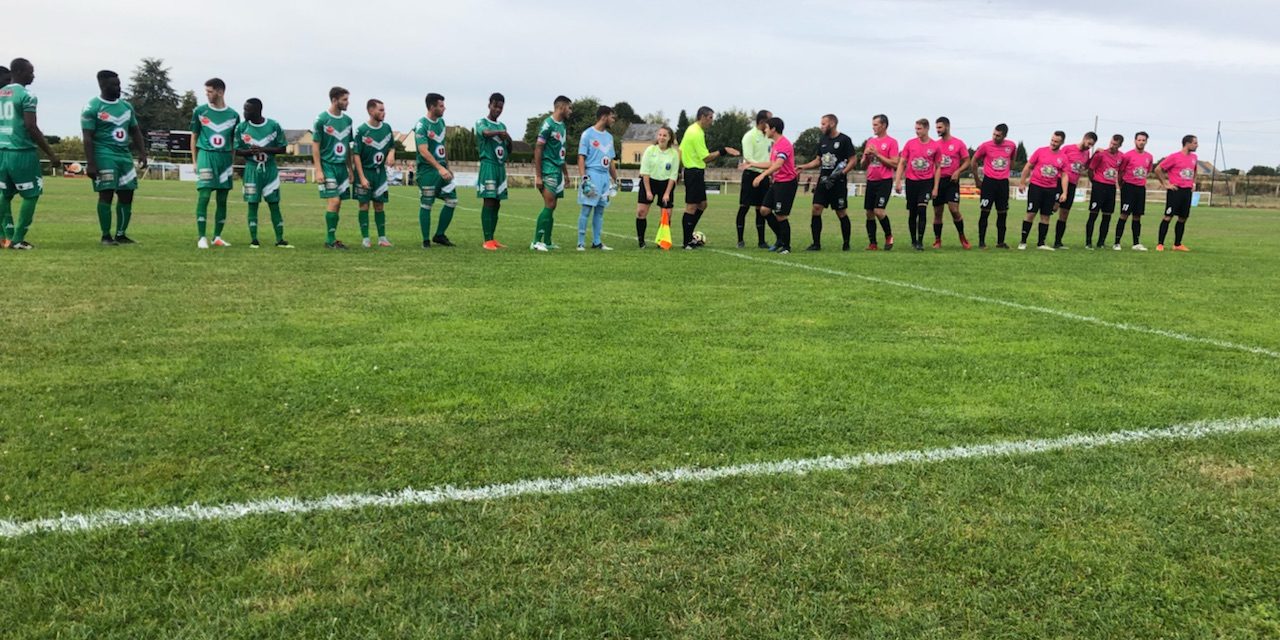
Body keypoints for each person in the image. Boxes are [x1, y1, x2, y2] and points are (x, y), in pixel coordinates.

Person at [81, 69, 147, 246]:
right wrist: (91, 163)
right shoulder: (92, 107)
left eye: (119, 84)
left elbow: (135, 131)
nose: (119, 87)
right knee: (107, 194)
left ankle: (121, 234)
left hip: (124, 156)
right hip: (104, 155)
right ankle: (105, 236)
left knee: (127, 194)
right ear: (103, 85)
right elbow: (87, 137)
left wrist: (142, 153)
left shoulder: (126, 107)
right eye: (114, 84)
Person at [0, 58, 59, 249]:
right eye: (30, 72)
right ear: (19, 71)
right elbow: (31, 126)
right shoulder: (27, 95)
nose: (33, 76)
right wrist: (51, 153)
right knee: (31, 195)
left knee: (4, 194)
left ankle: (4, 236)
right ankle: (17, 240)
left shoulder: (1, 93)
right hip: (22, 152)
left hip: (2, 151)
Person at [678, 106, 740, 249]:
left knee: (702, 204)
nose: (712, 121)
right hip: (693, 171)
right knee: (691, 206)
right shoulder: (696, 132)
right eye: (711, 118)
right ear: (703, 117)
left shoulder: (692, 129)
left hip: (695, 171)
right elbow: (706, 158)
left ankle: (689, 237)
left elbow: (680, 150)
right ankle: (687, 242)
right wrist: (724, 151)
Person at [233, 98, 291, 248]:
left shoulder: (273, 125)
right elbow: (236, 150)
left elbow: (282, 148)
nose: (244, 112)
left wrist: (264, 149)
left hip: (269, 169)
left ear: (257, 110)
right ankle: (254, 239)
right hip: (252, 169)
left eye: (247, 110)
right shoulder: (241, 128)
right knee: (252, 204)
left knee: (274, 204)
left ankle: (280, 239)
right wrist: (248, 151)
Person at [190, 77, 240, 249]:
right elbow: (194, 135)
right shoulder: (200, 111)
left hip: (224, 159)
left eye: (210, 91)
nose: (207, 95)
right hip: (206, 155)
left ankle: (217, 236)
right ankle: (201, 237)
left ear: (220, 92)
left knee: (222, 198)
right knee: (204, 195)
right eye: (206, 91)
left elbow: (234, 141)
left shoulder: (233, 115)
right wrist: (195, 161)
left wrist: (231, 161)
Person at [796, 114, 855, 251]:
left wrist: (842, 173)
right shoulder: (822, 140)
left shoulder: (844, 140)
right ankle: (816, 244)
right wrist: (803, 166)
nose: (821, 126)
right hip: (823, 181)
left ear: (832, 123)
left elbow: (853, 160)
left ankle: (846, 243)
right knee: (816, 209)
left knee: (841, 212)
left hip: (838, 183)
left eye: (823, 124)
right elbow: (818, 161)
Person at [745, 117, 798, 254]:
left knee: (781, 215)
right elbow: (771, 163)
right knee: (764, 210)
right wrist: (752, 164)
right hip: (777, 182)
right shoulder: (775, 144)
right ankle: (780, 238)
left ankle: (786, 247)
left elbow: (778, 164)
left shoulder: (784, 144)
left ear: (773, 129)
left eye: (767, 127)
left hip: (787, 183)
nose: (765, 130)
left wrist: (762, 175)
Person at [312, 86, 355, 249]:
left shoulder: (348, 121)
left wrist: (350, 170)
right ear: (334, 100)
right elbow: (315, 145)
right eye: (344, 100)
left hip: (341, 168)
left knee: (338, 204)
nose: (347, 103)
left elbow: (348, 147)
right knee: (334, 201)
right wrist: (318, 170)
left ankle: (332, 238)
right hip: (327, 165)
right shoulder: (321, 119)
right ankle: (329, 239)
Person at [413, 92, 457, 248]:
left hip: (441, 169)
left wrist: (447, 167)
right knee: (427, 204)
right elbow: (423, 150)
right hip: (427, 171)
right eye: (441, 105)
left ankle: (439, 235)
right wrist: (439, 168)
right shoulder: (421, 125)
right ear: (432, 107)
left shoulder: (441, 123)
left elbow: (442, 146)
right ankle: (425, 240)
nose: (444, 108)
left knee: (452, 200)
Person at [531, 95, 573, 251]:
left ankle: (547, 241)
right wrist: (538, 175)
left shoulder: (561, 126)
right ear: (561, 107)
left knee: (553, 205)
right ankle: (536, 242)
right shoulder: (547, 124)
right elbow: (538, 148)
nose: (570, 111)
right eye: (569, 107)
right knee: (549, 204)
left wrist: (566, 174)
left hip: (557, 170)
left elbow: (561, 153)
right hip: (547, 169)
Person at [353, 98, 396, 248]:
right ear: (371, 111)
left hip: (380, 173)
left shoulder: (387, 128)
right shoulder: (361, 131)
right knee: (364, 205)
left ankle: (382, 238)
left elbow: (392, 146)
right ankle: (365, 239)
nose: (384, 113)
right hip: (364, 171)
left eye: (384, 109)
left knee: (379, 205)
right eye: (381, 110)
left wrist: (391, 153)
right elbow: (356, 154)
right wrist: (361, 177)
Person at [1016, 131, 1070, 250]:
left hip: (1051, 190)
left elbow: (1065, 175)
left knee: (1046, 216)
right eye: (1052, 140)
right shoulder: (1040, 151)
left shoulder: (1063, 157)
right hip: (1036, 187)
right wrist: (1022, 182)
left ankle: (1041, 243)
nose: (1053, 143)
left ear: (1062, 142)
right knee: (1031, 214)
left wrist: (1064, 192)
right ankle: (1023, 241)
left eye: (1056, 141)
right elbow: (1028, 166)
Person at [576, 105, 618, 251]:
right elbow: (581, 157)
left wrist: (615, 179)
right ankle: (580, 243)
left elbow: (611, 160)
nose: (614, 120)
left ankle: (597, 242)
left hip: (604, 177)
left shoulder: (609, 137)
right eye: (612, 117)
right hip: (592, 174)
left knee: (600, 211)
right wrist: (584, 178)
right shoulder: (587, 134)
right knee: (587, 209)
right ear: (604, 116)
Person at [475, 92, 511, 250]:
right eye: (495, 106)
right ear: (489, 105)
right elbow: (485, 133)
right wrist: (499, 134)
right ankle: (487, 239)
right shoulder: (481, 122)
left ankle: (493, 238)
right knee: (488, 200)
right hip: (488, 165)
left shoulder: (502, 126)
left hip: (500, 167)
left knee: (497, 203)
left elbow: (508, 146)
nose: (498, 110)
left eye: (501, 107)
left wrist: (508, 138)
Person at [895, 119, 938, 251]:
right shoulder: (910, 144)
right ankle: (913, 240)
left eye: (919, 129)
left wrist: (935, 187)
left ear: (926, 129)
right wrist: (897, 181)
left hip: (926, 182)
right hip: (911, 182)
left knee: (922, 209)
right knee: (913, 213)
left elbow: (938, 167)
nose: (917, 131)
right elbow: (902, 163)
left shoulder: (935, 146)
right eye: (916, 128)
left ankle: (920, 241)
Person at [971, 123, 1017, 249]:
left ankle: (1000, 242)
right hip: (989, 183)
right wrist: (977, 179)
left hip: (1003, 183)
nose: (995, 137)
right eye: (994, 134)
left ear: (1005, 135)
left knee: (1002, 213)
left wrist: (1007, 168)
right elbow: (974, 160)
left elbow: (1012, 162)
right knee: (985, 212)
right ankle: (981, 242)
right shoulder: (986, 146)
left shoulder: (1011, 146)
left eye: (998, 135)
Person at [930, 117, 972, 249]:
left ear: (947, 127)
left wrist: (958, 171)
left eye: (940, 127)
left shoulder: (958, 143)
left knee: (954, 210)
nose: (937, 130)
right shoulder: (935, 144)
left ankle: (962, 236)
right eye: (936, 127)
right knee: (937, 213)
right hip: (938, 181)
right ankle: (937, 240)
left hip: (951, 181)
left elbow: (967, 161)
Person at [635, 125, 679, 248]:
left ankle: (661, 240)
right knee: (641, 212)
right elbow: (645, 172)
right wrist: (648, 191)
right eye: (660, 135)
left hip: (666, 184)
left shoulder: (674, 154)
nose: (662, 137)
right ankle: (641, 241)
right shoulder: (650, 150)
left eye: (665, 135)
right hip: (648, 182)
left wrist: (667, 193)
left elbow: (673, 175)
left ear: (670, 138)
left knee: (667, 214)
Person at [1052, 131, 1097, 249]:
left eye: (1092, 145)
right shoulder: (1068, 148)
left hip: (1072, 185)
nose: (1089, 146)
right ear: (1084, 138)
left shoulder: (1086, 153)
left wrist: (1094, 154)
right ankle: (1041, 237)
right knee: (1053, 207)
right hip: (1059, 182)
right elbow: (1057, 160)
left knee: (1064, 214)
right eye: (1089, 143)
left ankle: (1058, 242)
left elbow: (1085, 166)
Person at [1154, 135, 1199, 252]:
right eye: (1195, 143)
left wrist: (1193, 183)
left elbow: (1194, 171)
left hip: (1187, 192)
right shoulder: (1174, 157)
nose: (1197, 145)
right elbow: (1158, 169)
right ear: (1187, 143)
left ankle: (1177, 244)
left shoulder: (1194, 157)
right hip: (1175, 191)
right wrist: (1165, 184)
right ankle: (1160, 244)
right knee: (1168, 217)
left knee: (1183, 218)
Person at [860, 114, 897, 250]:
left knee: (879, 211)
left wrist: (877, 155)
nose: (873, 127)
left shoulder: (892, 142)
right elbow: (863, 165)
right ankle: (873, 243)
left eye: (876, 124)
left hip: (884, 181)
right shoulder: (870, 141)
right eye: (873, 124)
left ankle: (888, 236)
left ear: (884, 125)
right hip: (871, 180)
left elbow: (895, 163)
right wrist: (866, 157)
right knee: (869, 212)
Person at [1113, 131, 1154, 251]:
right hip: (1128, 187)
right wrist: (1121, 185)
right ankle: (1117, 242)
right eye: (1139, 140)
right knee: (1124, 214)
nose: (1141, 142)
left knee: (1137, 216)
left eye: (1143, 140)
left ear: (1146, 141)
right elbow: (1120, 172)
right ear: (1135, 141)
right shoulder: (1127, 156)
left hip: (1140, 188)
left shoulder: (1149, 157)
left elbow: (1148, 171)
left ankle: (1136, 243)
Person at [736, 109, 771, 248]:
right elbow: (749, 159)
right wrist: (761, 166)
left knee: (761, 208)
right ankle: (740, 240)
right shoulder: (749, 136)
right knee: (744, 207)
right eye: (769, 120)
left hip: (765, 175)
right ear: (762, 121)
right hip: (751, 174)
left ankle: (761, 241)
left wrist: (769, 170)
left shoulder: (769, 137)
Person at [1084, 134, 1124, 249]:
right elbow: (1091, 169)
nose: (1112, 146)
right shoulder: (1100, 154)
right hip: (1099, 187)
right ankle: (1088, 242)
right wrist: (1095, 182)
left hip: (1111, 188)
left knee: (1107, 216)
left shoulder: (1121, 157)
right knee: (1093, 215)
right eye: (1111, 143)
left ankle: (1101, 242)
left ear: (1120, 145)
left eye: (1115, 145)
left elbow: (1121, 172)